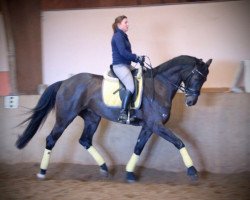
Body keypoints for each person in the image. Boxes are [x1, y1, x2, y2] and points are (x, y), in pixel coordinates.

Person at [111, 15, 145, 123]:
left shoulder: (124, 36)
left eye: (127, 22)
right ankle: (123, 113)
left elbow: (127, 54)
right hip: (120, 66)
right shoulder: (117, 36)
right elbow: (123, 53)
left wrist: (137, 59)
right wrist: (136, 57)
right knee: (130, 86)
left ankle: (137, 110)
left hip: (126, 65)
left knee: (142, 76)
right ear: (119, 25)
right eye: (125, 22)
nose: (128, 24)